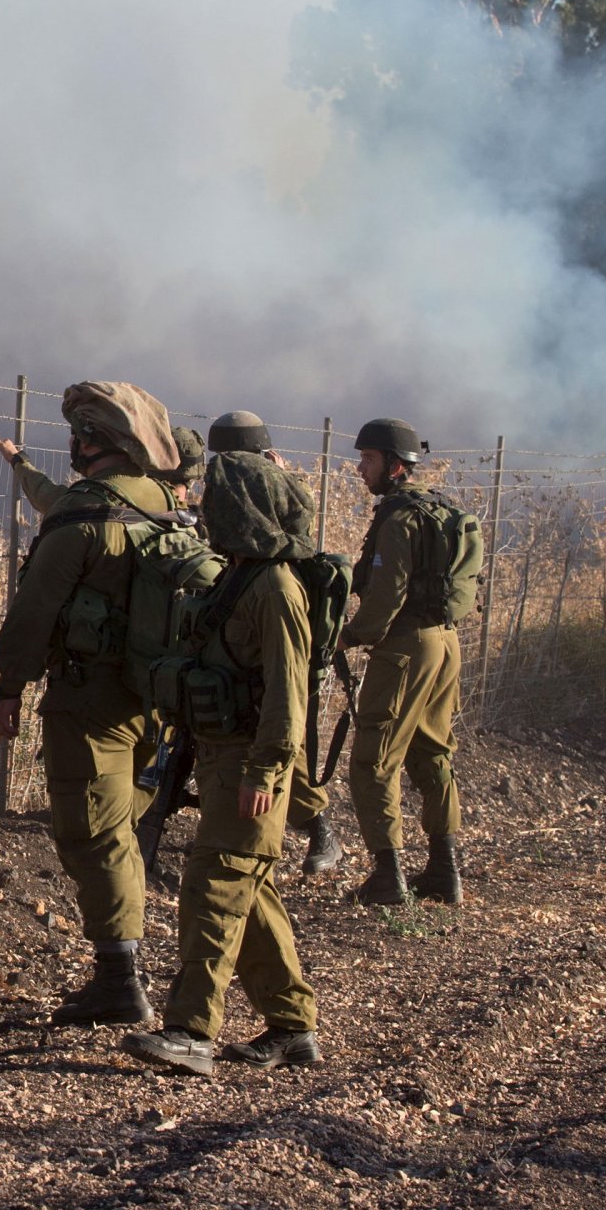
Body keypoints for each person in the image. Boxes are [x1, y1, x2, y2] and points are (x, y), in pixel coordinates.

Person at [122, 450, 323, 1077]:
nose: (208, 507)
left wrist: (267, 773)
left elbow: (290, 697)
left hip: (251, 767)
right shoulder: (242, 575)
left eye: (220, 499)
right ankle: (291, 1027)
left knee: (214, 887)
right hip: (220, 759)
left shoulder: (276, 589)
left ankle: (190, 1030)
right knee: (248, 892)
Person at [0, 381, 181, 1026]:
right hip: (154, 699)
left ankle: (119, 982)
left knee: (95, 835)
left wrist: (9, 687)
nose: (72, 444)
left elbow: (32, 615)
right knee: (120, 827)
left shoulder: (81, 516)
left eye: (78, 434)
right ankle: (122, 965)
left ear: (94, 441)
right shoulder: (163, 504)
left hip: (88, 700)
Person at [205, 411, 344, 881]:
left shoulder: (275, 577)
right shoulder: (242, 505)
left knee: (288, 739)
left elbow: (286, 687)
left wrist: (262, 771)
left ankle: (319, 827)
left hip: (271, 674)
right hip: (234, 689)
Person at [340, 416, 464, 906]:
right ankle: (443, 872)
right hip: (444, 643)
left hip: (406, 648)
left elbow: (386, 595)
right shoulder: (438, 509)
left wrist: (347, 638)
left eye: (368, 459)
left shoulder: (397, 519)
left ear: (395, 466)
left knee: (373, 759)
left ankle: (388, 876)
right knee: (432, 753)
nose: (360, 468)